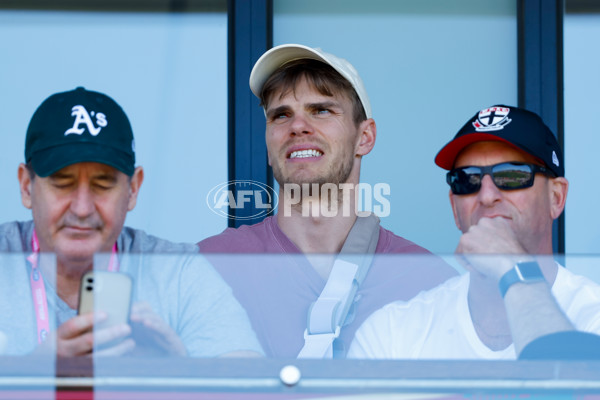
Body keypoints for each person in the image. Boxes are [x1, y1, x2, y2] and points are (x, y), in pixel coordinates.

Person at [198, 44, 457, 358]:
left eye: (321, 110)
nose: (297, 126)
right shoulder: (210, 266)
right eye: (281, 115)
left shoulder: (426, 280)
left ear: (365, 137)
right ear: (268, 146)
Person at [0, 87, 262, 358]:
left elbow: (251, 388)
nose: (81, 208)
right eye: (62, 183)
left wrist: (179, 375)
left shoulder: (178, 272)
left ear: (133, 190)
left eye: (102, 185)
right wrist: (37, 375)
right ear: (26, 187)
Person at [348, 105, 600, 359]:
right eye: (467, 179)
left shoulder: (592, 317)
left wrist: (515, 270)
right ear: (455, 208)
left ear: (556, 197)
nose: (487, 196)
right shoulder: (394, 332)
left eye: (511, 175)